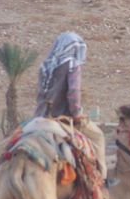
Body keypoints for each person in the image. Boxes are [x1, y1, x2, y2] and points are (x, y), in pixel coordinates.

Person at [35, 32, 107, 180]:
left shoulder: (45, 65)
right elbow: (73, 92)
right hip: (63, 117)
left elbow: (40, 95)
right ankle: (102, 181)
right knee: (98, 136)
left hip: (40, 117)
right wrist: (77, 113)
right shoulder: (72, 64)